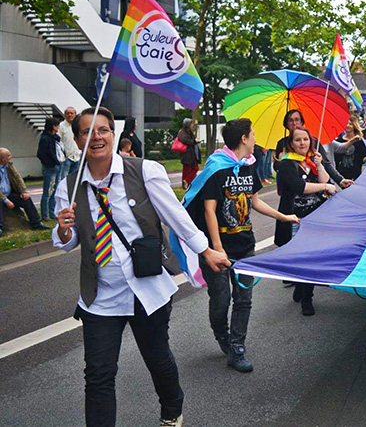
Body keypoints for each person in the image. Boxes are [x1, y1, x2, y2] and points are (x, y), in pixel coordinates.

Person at [53, 106, 230, 427]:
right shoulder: (67, 187)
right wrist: (64, 228)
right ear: (77, 141)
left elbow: (175, 216)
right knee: (98, 375)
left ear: (114, 134)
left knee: (157, 358)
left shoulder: (144, 171)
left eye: (103, 129)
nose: (96, 137)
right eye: (87, 132)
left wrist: (207, 251)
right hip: (101, 297)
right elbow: (68, 240)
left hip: (147, 289)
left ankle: (172, 410)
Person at [186, 118, 299, 373]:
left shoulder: (249, 166)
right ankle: (221, 333)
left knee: (244, 299)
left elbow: (255, 202)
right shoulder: (217, 168)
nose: (256, 138)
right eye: (253, 134)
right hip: (217, 249)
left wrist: (284, 217)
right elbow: (209, 210)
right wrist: (217, 246)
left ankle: (237, 347)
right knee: (221, 300)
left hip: (245, 245)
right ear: (244, 139)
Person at [275, 126, 336, 315]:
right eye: (298, 140)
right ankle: (301, 286)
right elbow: (299, 187)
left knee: (312, 258)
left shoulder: (311, 161)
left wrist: (319, 165)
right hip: (295, 219)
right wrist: (324, 185)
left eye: (306, 139)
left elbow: (327, 182)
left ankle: (307, 297)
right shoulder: (286, 164)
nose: (303, 143)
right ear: (291, 143)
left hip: (316, 217)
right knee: (299, 258)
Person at [0, 147, 48, 234]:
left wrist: (23, 191)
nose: (10, 157)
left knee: (26, 200)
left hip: (9, 194)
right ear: (2, 159)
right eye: (8, 156)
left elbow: (18, 178)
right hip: (1, 196)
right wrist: (6, 201)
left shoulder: (9, 166)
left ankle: (36, 223)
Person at [37, 117, 63, 221]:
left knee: (55, 189)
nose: (58, 128)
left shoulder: (55, 137)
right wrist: (51, 163)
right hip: (50, 167)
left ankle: (52, 211)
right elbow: (41, 154)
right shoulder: (45, 138)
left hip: (58, 164)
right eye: (57, 125)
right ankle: (45, 214)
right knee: (47, 191)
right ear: (53, 126)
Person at [332, 116, 366, 180]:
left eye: (350, 124)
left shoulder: (360, 142)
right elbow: (335, 159)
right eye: (346, 123)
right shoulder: (339, 141)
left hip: (355, 176)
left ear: (354, 126)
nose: (347, 125)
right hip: (341, 176)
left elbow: (362, 159)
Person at [176, 118, 200, 190]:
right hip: (187, 154)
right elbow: (185, 140)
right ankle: (187, 181)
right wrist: (194, 141)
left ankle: (187, 183)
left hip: (191, 154)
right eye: (191, 124)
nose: (192, 125)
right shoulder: (182, 132)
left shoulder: (188, 132)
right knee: (192, 169)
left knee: (189, 169)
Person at [59, 107, 82, 177]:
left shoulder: (78, 125)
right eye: (67, 113)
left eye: (71, 113)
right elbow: (59, 141)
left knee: (75, 178)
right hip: (66, 158)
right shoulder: (61, 126)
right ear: (64, 115)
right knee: (64, 178)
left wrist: (80, 153)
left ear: (75, 114)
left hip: (77, 157)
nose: (69, 115)